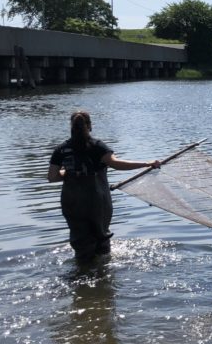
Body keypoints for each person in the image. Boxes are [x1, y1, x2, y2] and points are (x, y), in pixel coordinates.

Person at [48, 110, 161, 260]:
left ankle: (82, 270)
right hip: (96, 199)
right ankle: (103, 273)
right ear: (90, 126)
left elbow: (52, 177)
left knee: (80, 238)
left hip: (72, 200)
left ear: (71, 126)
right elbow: (116, 164)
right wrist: (147, 163)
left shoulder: (61, 150)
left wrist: (70, 172)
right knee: (100, 236)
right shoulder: (97, 146)